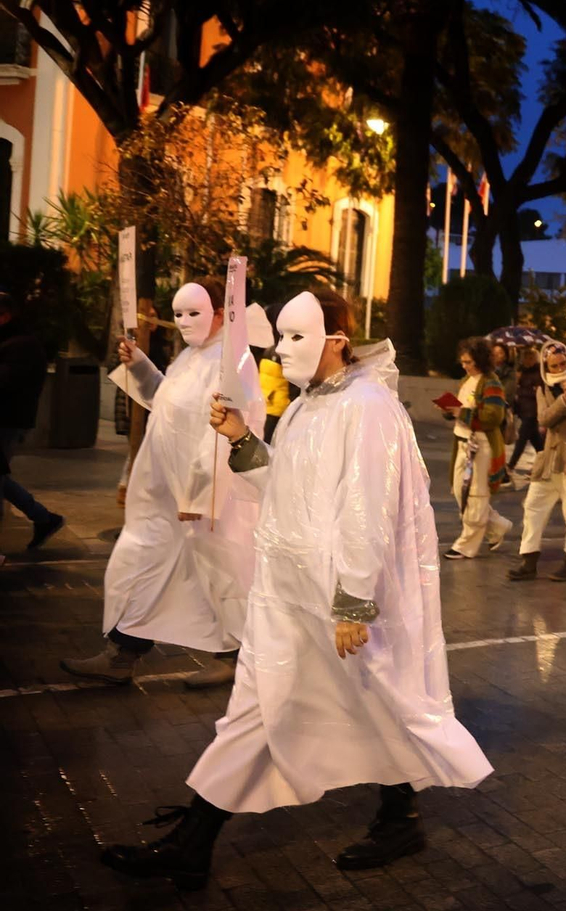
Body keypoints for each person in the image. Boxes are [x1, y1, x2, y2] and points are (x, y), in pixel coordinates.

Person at [96, 289, 491, 890]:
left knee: (368, 699)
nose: (282, 349)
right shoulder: (312, 405)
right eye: (280, 336)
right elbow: (286, 488)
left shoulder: (368, 406)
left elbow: (367, 510)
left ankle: (388, 815)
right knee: (264, 711)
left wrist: (353, 602)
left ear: (337, 338)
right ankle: (203, 841)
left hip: (330, 600)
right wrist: (241, 440)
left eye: (296, 336)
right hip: (288, 594)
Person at [63, 280, 263, 690]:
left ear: (220, 314)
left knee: (219, 572)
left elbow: (230, 427)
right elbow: (168, 402)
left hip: (207, 502)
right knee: (145, 563)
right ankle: (123, 652)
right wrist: (139, 365)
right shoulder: (191, 356)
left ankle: (235, 656)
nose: (186, 321)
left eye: (195, 312)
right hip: (165, 494)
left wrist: (201, 490)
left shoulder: (233, 362)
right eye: (179, 314)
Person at [509, 340, 566, 583]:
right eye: (554, 365)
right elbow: (544, 418)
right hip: (548, 461)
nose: (560, 368)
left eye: (563, 363)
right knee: (533, 507)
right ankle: (528, 561)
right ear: (546, 366)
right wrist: (563, 402)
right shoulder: (543, 387)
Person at [0, 290, 65, 550]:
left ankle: (43, 518)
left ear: (4, 316)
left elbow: (6, 383)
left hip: (7, 421)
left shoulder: (21, 345)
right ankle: (43, 517)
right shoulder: (11, 341)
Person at [442, 338, 512, 560]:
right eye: (462, 361)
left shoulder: (492, 383)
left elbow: (493, 417)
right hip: (463, 443)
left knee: (476, 495)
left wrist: (460, 413)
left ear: (480, 360)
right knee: (460, 492)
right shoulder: (468, 380)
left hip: (481, 448)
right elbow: (462, 409)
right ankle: (497, 525)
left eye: (468, 361)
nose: (464, 365)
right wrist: (448, 409)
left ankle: (466, 545)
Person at [508, 345, 545, 480]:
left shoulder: (538, 373)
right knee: (536, 440)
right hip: (523, 410)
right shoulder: (521, 371)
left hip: (533, 411)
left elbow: (538, 393)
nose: (528, 360)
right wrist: (517, 382)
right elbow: (518, 390)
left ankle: (510, 466)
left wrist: (521, 390)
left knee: (522, 438)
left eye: (531, 358)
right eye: (526, 358)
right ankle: (546, 462)